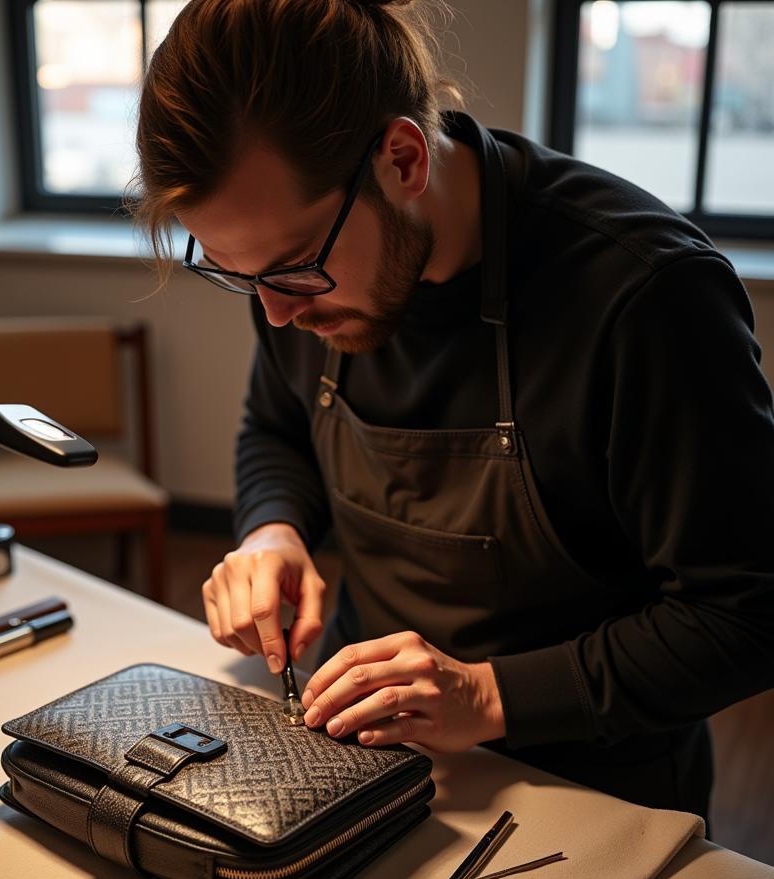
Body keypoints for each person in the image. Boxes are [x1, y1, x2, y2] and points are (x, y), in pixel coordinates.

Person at [132, 0, 774, 820]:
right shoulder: (296, 270)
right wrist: (273, 528)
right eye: (234, 273)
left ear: (402, 160)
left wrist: (483, 695)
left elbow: (748, 614)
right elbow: (278, 427)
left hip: (595, 793)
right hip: (368, 755)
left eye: (292, 270)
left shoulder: (646, 295)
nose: (278, 315)